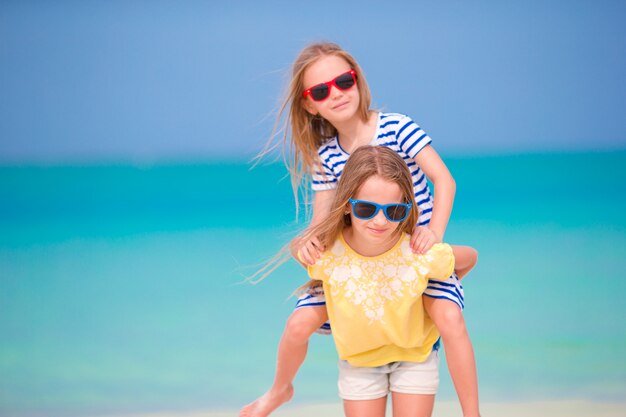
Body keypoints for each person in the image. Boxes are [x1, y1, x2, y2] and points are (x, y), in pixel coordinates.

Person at [241, 42, 479, 417]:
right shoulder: (326, 155)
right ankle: (280, 389)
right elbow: (323, 220)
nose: (335, 93)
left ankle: (472, 413)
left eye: (343, 81)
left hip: (411, 253)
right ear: (309, 104)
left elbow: (443, 181)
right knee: (299, 323)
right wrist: (307, 244)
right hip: (358, 260)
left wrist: (433, 233)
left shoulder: (397, 127)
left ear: (357, 81)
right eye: (321, 90)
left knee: (449, 317)